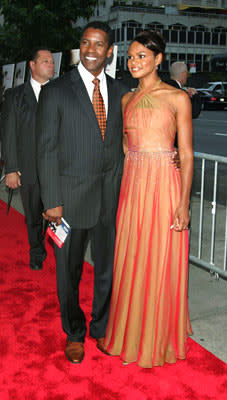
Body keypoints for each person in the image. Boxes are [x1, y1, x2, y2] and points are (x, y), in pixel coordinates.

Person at [36, 21, 128, 364]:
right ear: (79, 47)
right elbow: (46, 149)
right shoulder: (57, 90)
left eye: (99, 44)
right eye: (86, 43)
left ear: (109, 51)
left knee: (107, 268)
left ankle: (100, 327)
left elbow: (128, 139)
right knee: (68, 272)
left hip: (110, 198)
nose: (91, 50)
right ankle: (74, 332)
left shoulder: (121, 91)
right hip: (70, 202)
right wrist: (52, 202)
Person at [104, 30, 194, 368]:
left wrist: (183, 202)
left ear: (159, 59)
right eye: (130, 56)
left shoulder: (176, 98)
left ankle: (158, 336)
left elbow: (186, 154)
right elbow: (126, 146)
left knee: (160, 258)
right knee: (132, 256)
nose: (134, 62)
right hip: (134, 185)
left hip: (164, 187)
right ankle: (132, 331)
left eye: (142, 55)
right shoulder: (125, 100)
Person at [1, 48, 54, 270]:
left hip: (56, 167)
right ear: (32, 65)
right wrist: (11, 168)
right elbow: (9, 134)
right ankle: (36, 250)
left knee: (54, 211)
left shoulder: (60, 93)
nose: (50, 65)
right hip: (28, 167)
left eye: (52, 61)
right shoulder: (15, 96)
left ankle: (56, 247)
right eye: (45, 61)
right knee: (33, 213)